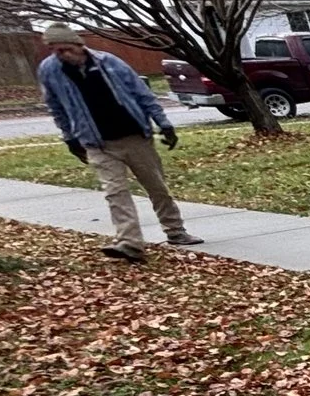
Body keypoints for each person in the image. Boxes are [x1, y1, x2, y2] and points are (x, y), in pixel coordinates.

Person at [35, 24, 203, 263]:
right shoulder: (50, 70)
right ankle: (129, 243)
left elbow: (142, 94)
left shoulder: (109, 62)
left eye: (65, 49)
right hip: (97, 143)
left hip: (134, 136)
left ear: (79, 45)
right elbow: (56, 107)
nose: (61, 55)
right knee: (115, 192)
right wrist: (70, 138)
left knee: (156, 187)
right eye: (54, 50)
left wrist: (163, 123)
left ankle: (175, 231)